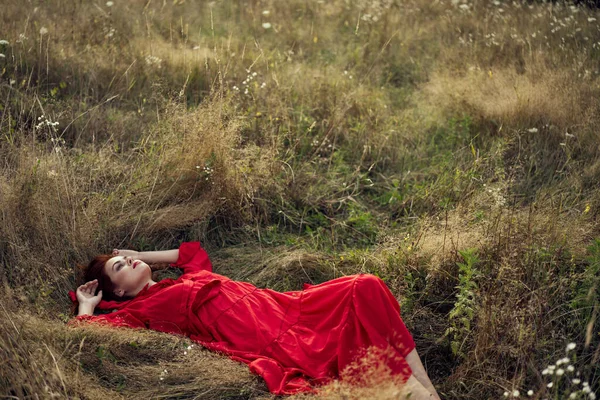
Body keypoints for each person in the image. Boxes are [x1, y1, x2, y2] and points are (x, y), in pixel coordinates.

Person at [69, 241, 441, 399]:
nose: (131, 262)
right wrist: (87, 305)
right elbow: (93, 334)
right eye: (122, 266)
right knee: (346, 350)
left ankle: (425, 388)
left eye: (127, 259)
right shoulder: (144, 308)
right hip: (265, 332)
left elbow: (193, 253)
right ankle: (414, 390)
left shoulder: (179, 279)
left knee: (366, 286)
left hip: (283, 305)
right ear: (117, 292)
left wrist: (138, 253)